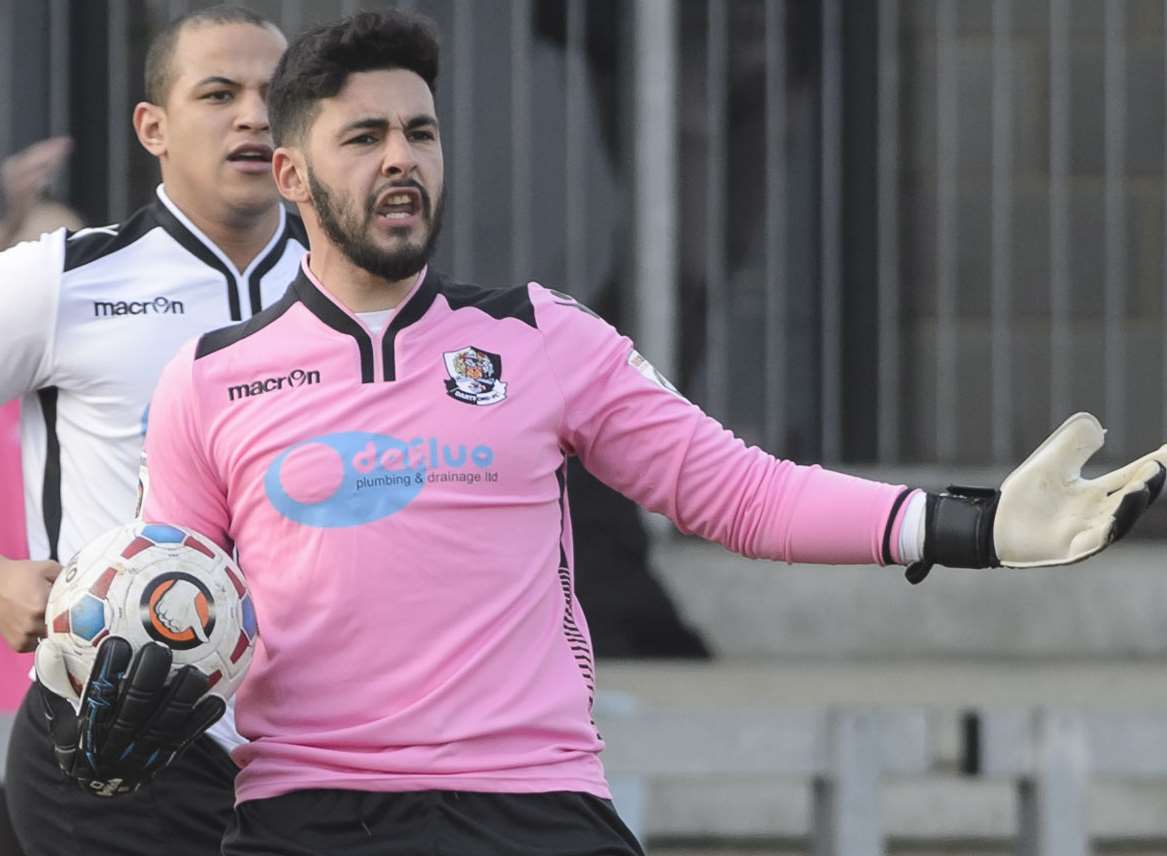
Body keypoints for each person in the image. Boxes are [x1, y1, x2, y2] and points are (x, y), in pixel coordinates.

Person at [35, 10, 1167, 856]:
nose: (400, 160)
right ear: (289, 172)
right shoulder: (209, 381)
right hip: (304, 817)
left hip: (536, 808)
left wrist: (973, 524)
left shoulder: (544, 337)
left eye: (421, 134)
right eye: (364, 135)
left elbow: (743, 494)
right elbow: (172, 603)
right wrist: (111, 710)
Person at [0, 6, 307, 855]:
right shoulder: (62, 282)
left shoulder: (360, 299)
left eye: (276, 94)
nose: (254, 115)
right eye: (218, 93)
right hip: (112, 738)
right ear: (154, 127)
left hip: (323, 753)